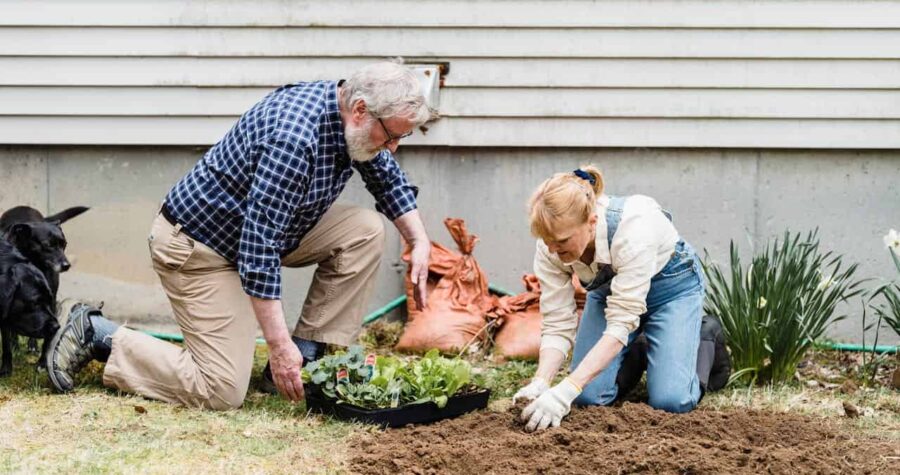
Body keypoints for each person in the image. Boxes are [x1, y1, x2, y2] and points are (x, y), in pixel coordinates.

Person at [45, 61, 434, 410]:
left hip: (265, 230)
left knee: (363, 231)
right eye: (391, 135)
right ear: (361, 110)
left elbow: (384, 174)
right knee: (221, 389)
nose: (393, 147)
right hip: (199, 250)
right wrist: (277, 347)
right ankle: (97, 334)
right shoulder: (294, 139)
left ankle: (308, 356)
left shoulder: (350, 113)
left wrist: (418, 241)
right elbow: (258, 250)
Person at [514, 165, 707, 432]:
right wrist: (542, 381)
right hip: (611, 295)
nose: (553, 250)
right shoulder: (551, 245)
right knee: (587, 397)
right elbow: (557, 320)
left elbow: (619, 325)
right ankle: (639, 349)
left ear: (591, 222)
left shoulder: (633, 229)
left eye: (561, 241)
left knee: (672, 401)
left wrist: (565, 390)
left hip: (671, 290)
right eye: (547, 241)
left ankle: (705, 339)